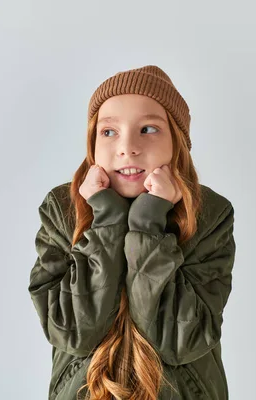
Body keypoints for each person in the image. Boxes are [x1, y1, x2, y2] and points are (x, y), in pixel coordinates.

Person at [28, 65, 237, 400]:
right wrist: (107, 220)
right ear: (92, 141)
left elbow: (180, 340)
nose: (127, 147)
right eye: (109, 132)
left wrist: (148, 223)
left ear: (176, 142)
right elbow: (74, 331)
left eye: (148, 129)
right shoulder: (62, 209)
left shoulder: (208, 215)